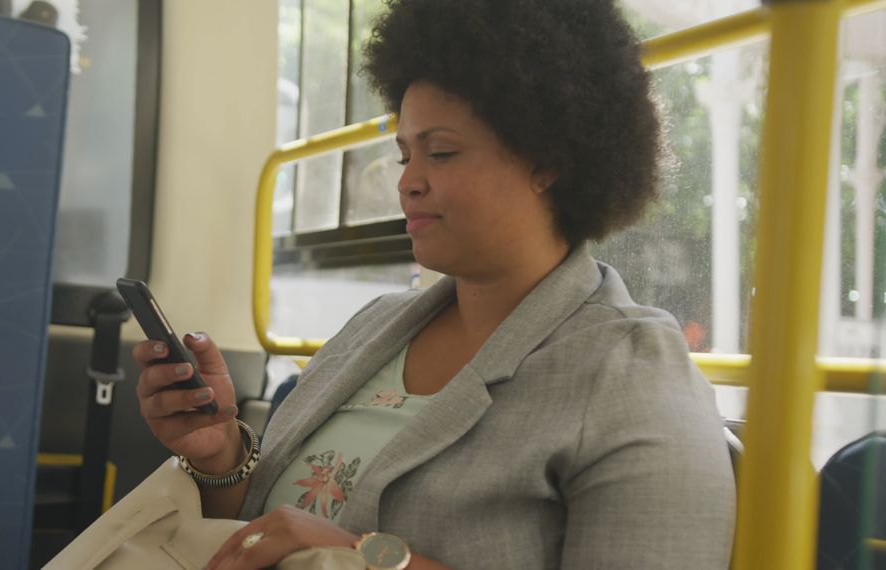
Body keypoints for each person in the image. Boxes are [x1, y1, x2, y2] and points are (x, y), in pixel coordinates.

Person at [133, 0, 736, 568]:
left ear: (547, 162)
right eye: (404, 156)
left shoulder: (629, 374)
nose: (408, 183)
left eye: (441, 153)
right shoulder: (375, 327)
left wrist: (364, 555)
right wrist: (222, 459)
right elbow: (265, 530)